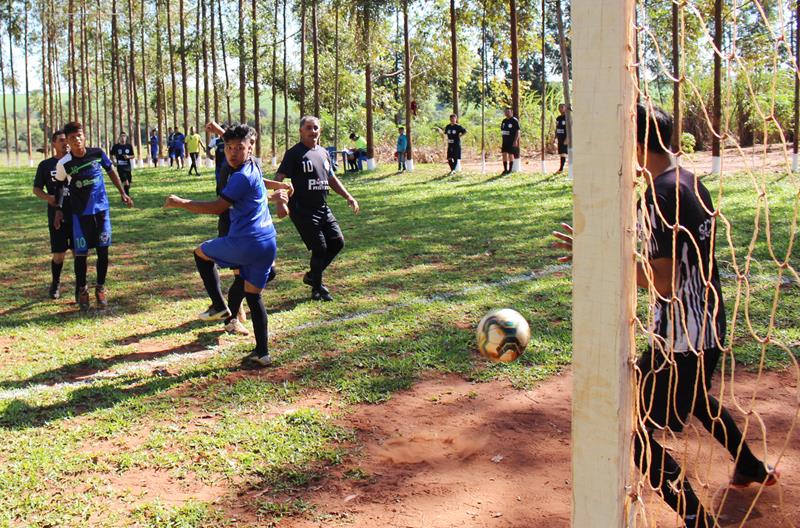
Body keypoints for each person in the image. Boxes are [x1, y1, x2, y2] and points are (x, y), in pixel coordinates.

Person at [553, 104, 779, 528]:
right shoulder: (690, 180)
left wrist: (595, 255)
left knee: (631, 431)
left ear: (634, 144)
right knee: (695, 400)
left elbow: (663, 283)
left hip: (680, 337)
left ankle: (697, 520)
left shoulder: (658, 195)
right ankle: (748, 465)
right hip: (708, 323)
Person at [164, 124, 288, 366]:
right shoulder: (253, 165)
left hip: (244, 242)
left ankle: (220, 307)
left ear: (250, 148)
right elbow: (257, 184)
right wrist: (278, 190)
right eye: (229, 148)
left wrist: (181, 202)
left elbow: (217, 207)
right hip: (267, 242)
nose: (232, 153)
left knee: (200, 254)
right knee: (254, 297)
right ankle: (262, 353)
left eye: (239, 148)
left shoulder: (241, 176)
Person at [277, 116, 359, 301]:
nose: (313, 131)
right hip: (301, 208)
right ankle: (317, 289)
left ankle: (313, 276)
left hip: (322, 206)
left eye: (316, 128)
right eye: (308, 128)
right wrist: (280, 199)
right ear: (300, 131)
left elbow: (331, 179)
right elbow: (279, 177)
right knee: (320, 247)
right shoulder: (294, 153)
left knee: (337, 242)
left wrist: (348, 196)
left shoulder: (323, 152)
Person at [54, 121, 134, 310]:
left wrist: (122, 192)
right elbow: (59, 186)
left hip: (101, 212)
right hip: (80, 216)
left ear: (84, 136)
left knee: (103, 252)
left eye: (79, 136)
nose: (77, 140)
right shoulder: (64, 164)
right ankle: (82, 290)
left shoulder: (97, 154)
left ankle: (100, 288)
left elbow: (111, 171)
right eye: (72, 138)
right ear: (68, 141)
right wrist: (58, 209)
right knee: (81, 255)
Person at [33, 130, 72, 299]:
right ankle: (55, 282)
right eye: (61, 140)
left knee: (80, 250)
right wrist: (48, 198)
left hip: (77, 211)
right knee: (59, 253)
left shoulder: (75, 161)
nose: (66, 143)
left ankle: (81, 287)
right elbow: (36, 189)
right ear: (54, 144)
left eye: (67, 140)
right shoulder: (45, 165)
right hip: (56, 212)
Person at [110, 132, 135, 197]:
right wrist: (113, 162)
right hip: (120, 167)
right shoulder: (116, 146)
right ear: (119, 137)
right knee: (125, 182)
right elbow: (111, 154)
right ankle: (127, 197)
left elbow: (133, 156)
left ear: (126, 138)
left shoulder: (129, 146)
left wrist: (128, 157)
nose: (123, 138)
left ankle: (123, 194)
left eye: (124, 136)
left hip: (128, 167)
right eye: (121, 136)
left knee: (128, 183)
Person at [500, 107, 520, 175]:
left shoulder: (514, 120)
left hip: (511, 141)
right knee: (504, 154)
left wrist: (515, 140)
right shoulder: (504, 121)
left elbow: (518, 131)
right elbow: (502, 130)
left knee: (510, 154)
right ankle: (505, 169)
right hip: (504, 141)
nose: (507, 113)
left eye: (508, 112)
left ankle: (510, 170)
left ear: (511, 112)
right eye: (506, 112)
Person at [555, 104, 568, 174]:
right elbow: (556, 128)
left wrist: (567, 138)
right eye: (559, 107)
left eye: (562, 107)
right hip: (560, 138)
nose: (560, 109)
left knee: (564, 153)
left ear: (565, 108)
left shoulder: (568, 118)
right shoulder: (558, 118)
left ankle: (561, 169)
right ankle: (561, 169)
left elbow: (570, 129)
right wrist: (555, 137)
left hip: (565, 138)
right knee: (561, 153)